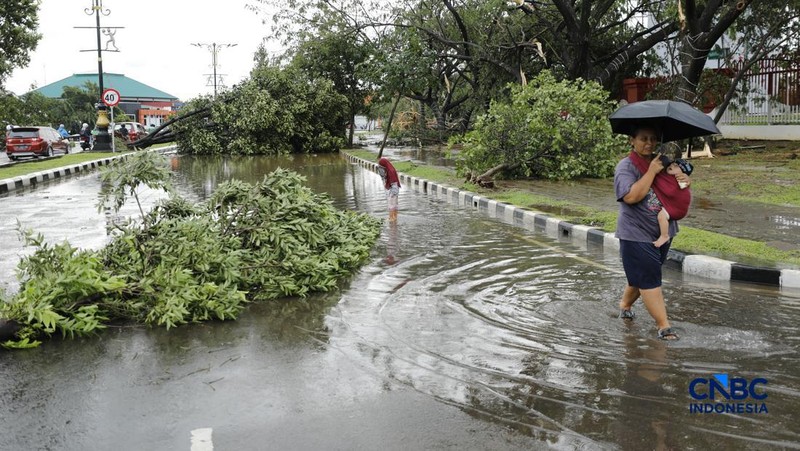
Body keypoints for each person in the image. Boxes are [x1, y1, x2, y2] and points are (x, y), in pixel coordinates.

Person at [614, 125, 691, 341]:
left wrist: (685, 181)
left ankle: (625, 306)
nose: (648, 143)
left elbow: (678, 183)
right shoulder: (626, 167)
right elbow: (630, 197)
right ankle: (664, 327)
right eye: (643, 139)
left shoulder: (663, 161)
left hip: (664, 231)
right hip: (635, 233)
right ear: (632, 140)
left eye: (653, 139)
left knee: (643, 275)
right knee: (649, 278)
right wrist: (651, 172)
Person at [653, 158, 694, 248]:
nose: (672, 166)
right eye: (672, 164)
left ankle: (664, 235)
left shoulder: (679, 180)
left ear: (683, 173)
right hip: (675, 207)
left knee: (661, 216)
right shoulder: (670, 177)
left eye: (676, 166)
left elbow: (677, 191)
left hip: (677, 208)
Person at [377, 157, 401, 222]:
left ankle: (391, 218)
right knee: (394, 204)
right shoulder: (390, 169)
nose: (381, 169)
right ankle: (394, 218)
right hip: (395, 188)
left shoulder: (391, 171)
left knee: (391, 204)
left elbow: (393, 182)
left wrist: (392, 193)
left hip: (394, 189)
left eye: (381, 167)